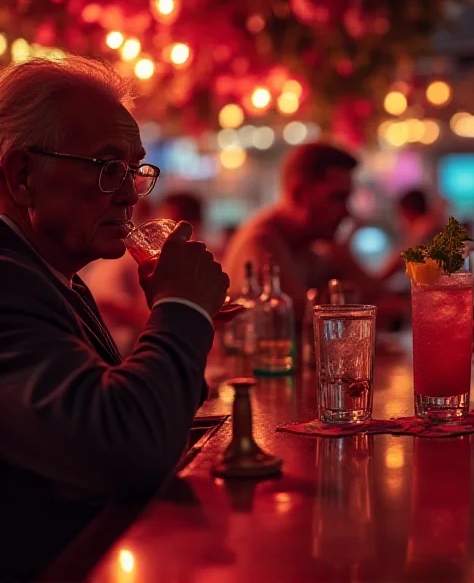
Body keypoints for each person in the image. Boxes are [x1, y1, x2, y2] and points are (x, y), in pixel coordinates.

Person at [0, 57, 229, 578]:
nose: (128, 193)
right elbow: (128, 449)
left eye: (133, 169)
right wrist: (182, 309)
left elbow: (126, 413)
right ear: (22, 176)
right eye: (106, 167)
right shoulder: (7, 280)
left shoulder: (54, 275)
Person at [224, 142, 387, 311]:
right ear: (299, 195)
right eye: (337, 198)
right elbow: (303, 316)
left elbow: (378, 295)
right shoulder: (262, 242)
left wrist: (342, 253)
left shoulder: (309, 246)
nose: (347, 213)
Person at [84, 191, 208, 354]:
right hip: (117, 349)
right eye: (167, 222)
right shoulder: (126, 254)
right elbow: (104, 299)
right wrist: (159, 320)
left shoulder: (176, 256)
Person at [377, 187, 445, 282]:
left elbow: (397, 261)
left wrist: (375, 280)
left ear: (407, 212)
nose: (400, 220)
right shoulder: (433, 225)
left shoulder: (423, 227)